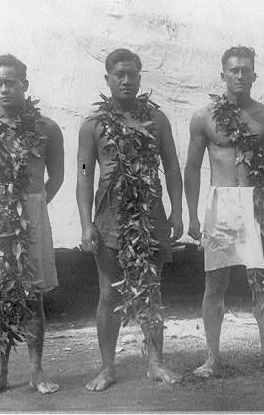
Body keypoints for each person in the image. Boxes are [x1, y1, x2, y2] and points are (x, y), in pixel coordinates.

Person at [76, 48, 184, 391]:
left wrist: (177, 211)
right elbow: (83, 175)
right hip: (109, 215)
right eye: (119, 75)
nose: (126, 81)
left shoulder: (157, 119)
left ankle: (155, 363)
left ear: (140, 78)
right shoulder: (92, 125)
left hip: (150, 213)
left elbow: (172, 167)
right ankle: (108, 368)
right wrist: (85, 224)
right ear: (107, 78)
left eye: (132, 75)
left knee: (152, 288)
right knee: (109, 293)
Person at [185, 46, 264, 378]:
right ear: (223, 75)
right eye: (234, 70)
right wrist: (192, 215)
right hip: (222, 202)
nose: (240, 75)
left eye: (246, 70)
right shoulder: (204, 118)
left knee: (262, 282)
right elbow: (190, 169)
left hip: (257, 203)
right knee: (215, 285)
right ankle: (212, 357)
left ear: (255, 75)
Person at [0, 54, 64, 396]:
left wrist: (33, 206)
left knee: (33, 294)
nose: (5, 89)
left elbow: (59, 176)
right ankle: (1, 373)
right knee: (3, 294)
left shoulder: (47, 128)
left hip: (34, 217)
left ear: (25, 84)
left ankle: (37, 371)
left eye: (11, 82)